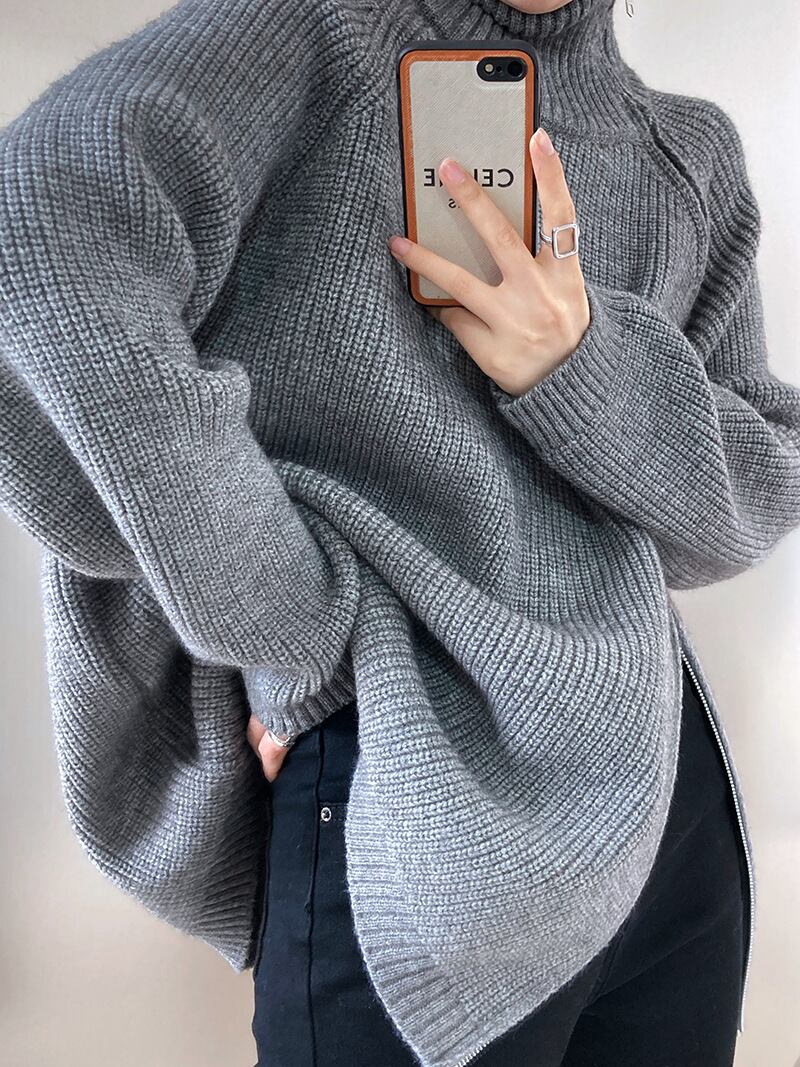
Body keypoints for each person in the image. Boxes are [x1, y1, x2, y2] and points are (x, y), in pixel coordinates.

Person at [0, 0, 798, 1064]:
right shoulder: (306, 34)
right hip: (413, 790)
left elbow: (749, 498)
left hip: (667, 808)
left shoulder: (687, 153)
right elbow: (36, 225)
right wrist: (290, 627)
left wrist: (577, 362)